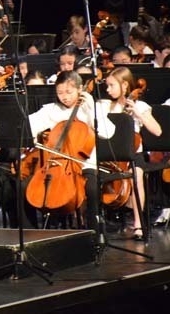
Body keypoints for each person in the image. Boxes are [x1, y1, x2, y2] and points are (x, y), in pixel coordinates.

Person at [28, 71, 115, 230]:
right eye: (60, 92)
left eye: (69, 92)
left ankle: (95, 232)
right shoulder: (51, 110)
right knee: (25, 186)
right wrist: (31, 138)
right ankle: (31, 233)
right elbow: (27, 127)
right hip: (56, 164)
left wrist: (91, 107)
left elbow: (107, 132)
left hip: (86, 163)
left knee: (91, 187)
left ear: (80, 89)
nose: (64, 97)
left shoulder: (90, 109)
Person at [101, 67, 163, 239]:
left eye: (111, 86)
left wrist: (137, 113)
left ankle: (138, 223)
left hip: (134, 155)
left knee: (136, 175)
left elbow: (157, 131)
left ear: (125, 85)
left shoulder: (140, 105)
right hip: (111, 155)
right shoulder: (107, 106)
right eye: (107, 86)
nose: (107, 90)